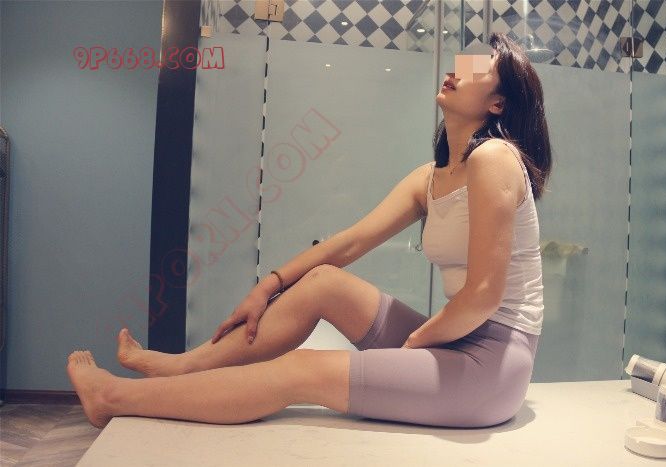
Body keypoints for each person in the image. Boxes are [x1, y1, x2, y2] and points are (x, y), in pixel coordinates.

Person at [66, 31, 553, 429]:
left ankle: (112, 398)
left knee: (303, 370)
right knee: (323, 283)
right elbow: (349, 243)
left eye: (478, 68)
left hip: (492, 364)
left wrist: (412, 347)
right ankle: (181, 366)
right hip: (458, 338)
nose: (457, 69)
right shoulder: (433, 176)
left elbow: (484, 296)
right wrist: (269, 286)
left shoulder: (494, 158)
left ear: (498, 103)